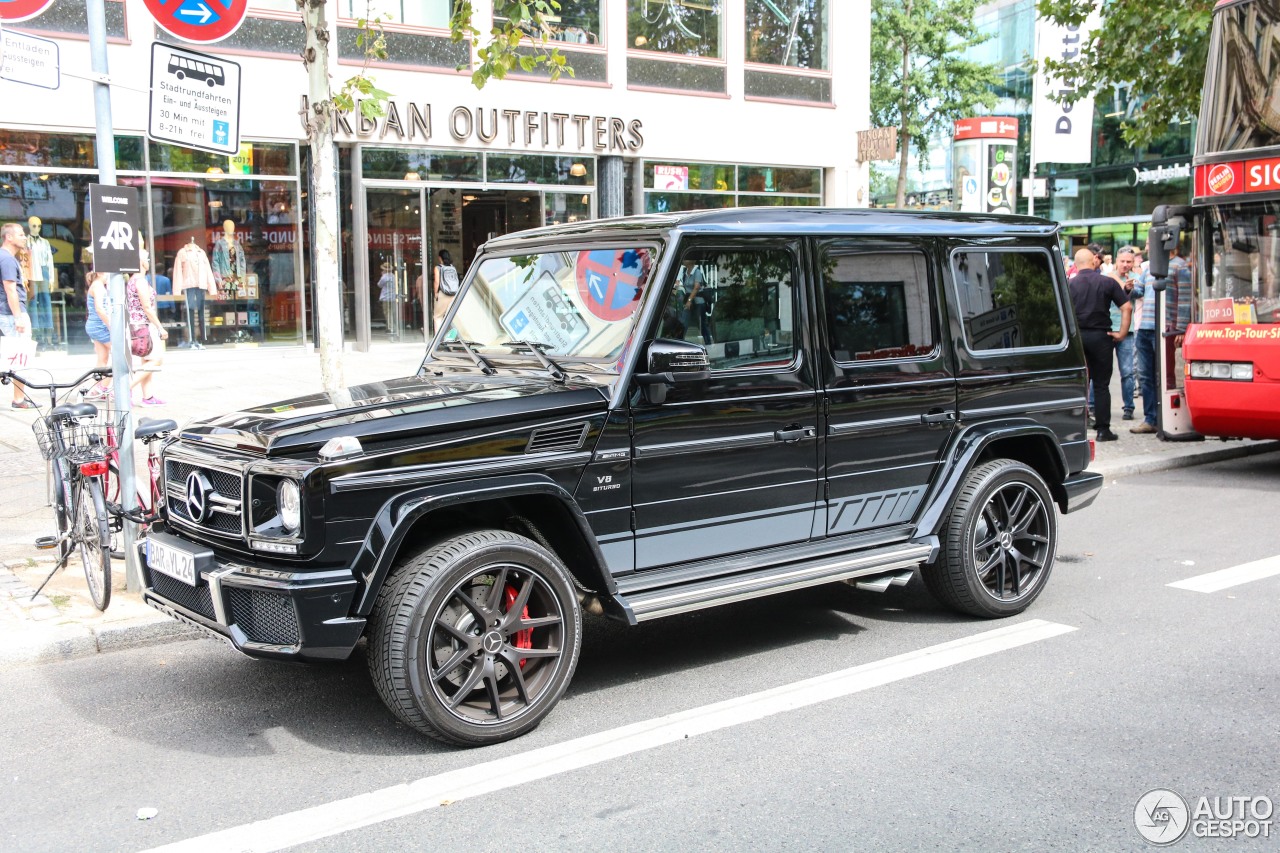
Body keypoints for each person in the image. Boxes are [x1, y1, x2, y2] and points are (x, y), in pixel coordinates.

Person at [1069, 247, 1131, 442]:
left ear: (1076, 264)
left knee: (1079, 384)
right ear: (1093, 261)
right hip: (1101, 336)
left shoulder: (1069, 285)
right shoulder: (1107, 282)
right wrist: (1121, 333)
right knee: (1102, 385)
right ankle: (1103, 430)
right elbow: (1126, 306)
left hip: (1078, 338)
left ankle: (1076, 430)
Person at [0, 221, 34, 408]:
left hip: (7, 313)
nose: (24, 237)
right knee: (21, 354)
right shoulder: (6, 259)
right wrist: (18, 317)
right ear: (9, 237)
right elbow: (10, 289)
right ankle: (19, 399)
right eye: (21, 234)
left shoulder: (6, 258)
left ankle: (19, 397)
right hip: (10, 314)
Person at [127, 253, 168, 405]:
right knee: (156, 360)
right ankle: (127, 387)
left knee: (147, 360)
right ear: (142, 262)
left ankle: (148, 396)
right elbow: (147, 307)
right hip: (143, 324)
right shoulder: (141, 282)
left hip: (136, 324)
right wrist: (160, 327)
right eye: (147, 259)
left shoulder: (132, 280)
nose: (149, 262)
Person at [1107, 248, 1139, 420]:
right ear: (1116, 261)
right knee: (1101, 371)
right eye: (1123, 261)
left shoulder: (1136, 278)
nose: (1125, 265)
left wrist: (1128, 289)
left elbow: (1140, 292)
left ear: (1133, 263)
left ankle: (1129, 407)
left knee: (1127, 371)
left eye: (1129, 261)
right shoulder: (1107, 277)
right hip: (1107, 328)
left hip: (1127, 330)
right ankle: (1092, 406)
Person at [83, 272, 112, 400]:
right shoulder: (98, 287)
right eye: (108, 274)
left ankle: (95, 388)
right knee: (120, 356)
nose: (109, 277)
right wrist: (111, 326)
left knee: (102, 358)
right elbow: (100, 309)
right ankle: (102, 388)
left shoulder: (95, 285)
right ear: (100, 273)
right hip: (101, 327)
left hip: (94, 326)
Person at [679, 259, 712, 344]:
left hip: (698, 302)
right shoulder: (685, 272)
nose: (683, 260)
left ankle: (708, 343)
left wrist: (689, 300)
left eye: (686, 259)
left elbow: (696, 287)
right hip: (689, 302)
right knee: (684, 322)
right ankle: (679, 342)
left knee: (702, 324)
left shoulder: (697, 272)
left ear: (691, 261)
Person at [431, 249, 460, 331]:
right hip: (454, 294)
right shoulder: (452, 267)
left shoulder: (438, 268)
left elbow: (437, 282)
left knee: (437, 317)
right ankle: (450, 338)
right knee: (450, 317)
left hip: (443, 294)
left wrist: (436, 293)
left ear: (440, 258)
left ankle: (439, 340)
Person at [376, 261, 398, 340]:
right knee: (391, 313)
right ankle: (392, 327)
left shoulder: (384, 277)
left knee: (387, 313)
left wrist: (382, 275)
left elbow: (379, 285)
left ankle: (390, 327)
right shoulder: (393, 276)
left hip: (386, 297)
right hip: (392, 297)